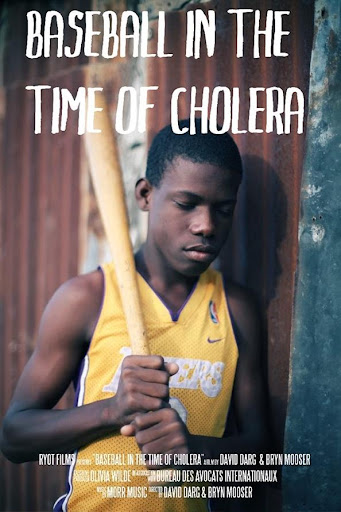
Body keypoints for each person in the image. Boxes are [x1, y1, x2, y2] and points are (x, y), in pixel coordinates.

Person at [1, 119, 268, 511]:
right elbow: (14, 438)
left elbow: (264, 460)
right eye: (186, 204)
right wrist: (112, 410)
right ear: (145, 195)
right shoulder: (86, 299)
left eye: (223, 209)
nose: (206, 225)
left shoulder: (236, 309)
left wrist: (195, 454)